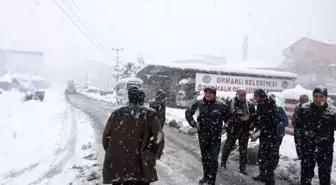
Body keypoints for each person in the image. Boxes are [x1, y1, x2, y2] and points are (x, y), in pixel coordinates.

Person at [102, 86, 163, 185]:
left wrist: (114, 152)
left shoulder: (116, 114)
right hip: (141, 167)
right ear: (141, 99)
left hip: (118, 167)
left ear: (129, 97)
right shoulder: (149, 114)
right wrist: (151, 154)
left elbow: (106, 139)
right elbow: (159, 136)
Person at [185, 86, 227, 185]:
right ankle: (206, 176)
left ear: (214, 94)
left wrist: (225, 128)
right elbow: (188, 113)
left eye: (210, 93)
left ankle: (212, 180)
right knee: (205, 157)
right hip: (203, 135)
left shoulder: (221, 105)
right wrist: (193, 123)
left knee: (213, 158)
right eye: (206, 93)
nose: (208, 95)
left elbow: (229, 118)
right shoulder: (199, 103)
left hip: (215, 136)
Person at [294, 87, 336, 185]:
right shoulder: (304, 109)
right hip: (308, 148)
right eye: (315, 96)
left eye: (321, 96)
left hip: (325, 149)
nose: (318, 99)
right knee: (306, 175)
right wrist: (299, 145)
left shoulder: (333, 111)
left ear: (326, 97)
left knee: (325, 175)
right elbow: (297, 128)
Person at [220, 88, 255, 175]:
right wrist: (234, 120)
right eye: (241, 95)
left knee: (243, 150)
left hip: (244, 131)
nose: (242, 97)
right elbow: (226, 115)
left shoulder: (250, 105)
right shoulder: (231, 103)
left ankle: (242, 168)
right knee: (228, 146)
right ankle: (223, 162)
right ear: (237, 95)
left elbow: (253, 118)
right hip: (233, 130)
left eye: (244, 95)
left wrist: (251, 129)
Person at [251, 89, 279, 185]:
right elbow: (260, 118)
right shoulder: (265, 103)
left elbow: (264, 122)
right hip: (267, 135)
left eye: (256, 96)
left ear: (259, 96)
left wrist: (257, 133)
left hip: (269, 136)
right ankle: (263, 176)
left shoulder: (264, 104)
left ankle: (269, 180)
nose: (255, 98)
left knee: (267, 158)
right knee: (263, 156)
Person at [272, 94, 289, 169]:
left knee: (275, 150)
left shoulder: (279, 109)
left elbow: (286, 122)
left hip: (278, 134)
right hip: (270, 134)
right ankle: (269, 164)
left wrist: (279, 125)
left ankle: (274, 165)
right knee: (269, 150)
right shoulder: (266, 109)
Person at [292, 94, 309, 160]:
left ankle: (304, 156)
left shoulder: (308, 108)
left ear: (307, 100)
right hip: (297, 128)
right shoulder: (297, 106)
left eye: (303, 99)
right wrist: (293, 121)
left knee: (304, 143)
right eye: (301, 99)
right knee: (297, 142)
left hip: (304, 129)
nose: (301, 101)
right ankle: (300, 155)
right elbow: (295, 115)